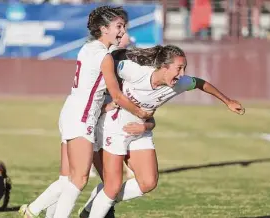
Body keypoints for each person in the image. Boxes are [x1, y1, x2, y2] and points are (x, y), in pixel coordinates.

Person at [79, 45, 245, 218]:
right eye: (179, 68)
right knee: (112, 186)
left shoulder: (179, 84)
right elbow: (108, 65)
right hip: (114, 128)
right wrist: (105, 95)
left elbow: (200, 83)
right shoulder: (135, 72)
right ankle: (98, 207)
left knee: (148, 182)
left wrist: (227, 101)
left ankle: (95, 204)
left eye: (184, 69)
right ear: (164, 67)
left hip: (141, 130)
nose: (182, 74)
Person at [19, 6, 153, 218]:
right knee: (79, 179)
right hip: (82, 117)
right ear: (103, 28)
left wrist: (105, 105)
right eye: (119, 26)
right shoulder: (104, 57)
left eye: (124, 27)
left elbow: (92, 89)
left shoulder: (87, 48)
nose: (122, 31)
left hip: (71, 111)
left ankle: (33, 211)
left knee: (69, 178)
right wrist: (140, 111)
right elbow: (116, 95)